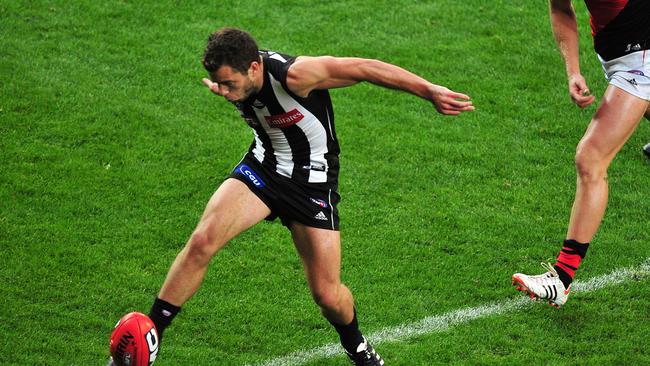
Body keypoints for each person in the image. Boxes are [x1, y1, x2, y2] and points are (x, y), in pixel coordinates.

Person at [109, 27, 473, 366]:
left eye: (229, 84)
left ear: (254, 67)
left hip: (312, 186)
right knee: (203, 239)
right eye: (219, 84)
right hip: (263, 170)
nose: (224, 92)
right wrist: (228, 87)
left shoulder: (296, 75)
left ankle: (357, 346)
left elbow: (364, 67)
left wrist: (429, 91)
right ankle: (150, 334)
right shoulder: (237, 80)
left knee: (328, 296)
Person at [512, 0, 650, 308]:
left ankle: (561, 278)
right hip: (617, 50)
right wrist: (572, 70)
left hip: (640, 55)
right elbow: (561, 8)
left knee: (591, 158)